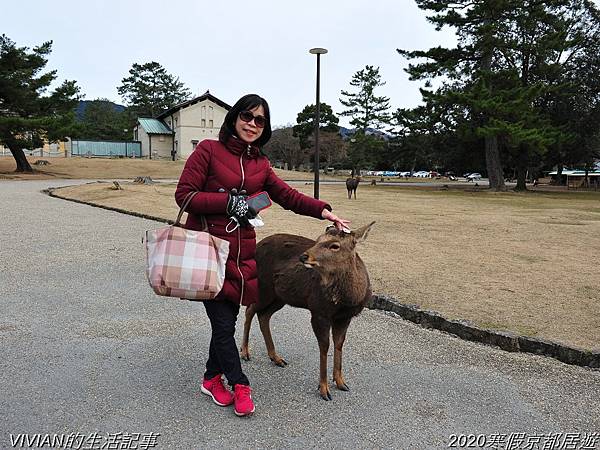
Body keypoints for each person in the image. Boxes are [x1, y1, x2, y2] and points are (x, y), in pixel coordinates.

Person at [174, 94, 350, 417]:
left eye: (260, 120)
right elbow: (184, 195)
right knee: (223, 325)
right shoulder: (208, 152)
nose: (252, 124)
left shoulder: (261, 165)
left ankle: (211, 378)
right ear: (234, 118)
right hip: (208, 254)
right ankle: (240, 384)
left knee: (226, 322)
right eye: (247, 116)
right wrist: (226, 203)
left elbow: (288, 196)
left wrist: (323, 211)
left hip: (241, 256)